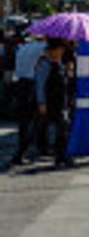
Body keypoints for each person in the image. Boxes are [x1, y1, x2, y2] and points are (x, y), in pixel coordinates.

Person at [8, 31, 45, 166]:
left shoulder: (22, 48)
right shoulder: (41, 48)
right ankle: (21, 153)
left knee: (24, 121)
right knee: (34, 121)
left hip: (19, 83)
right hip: (31, 84)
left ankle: (28, 149)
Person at [34, 39, 72, 168]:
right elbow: (40, 84)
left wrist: (68, 73)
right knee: (56, 129)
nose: (62, 52)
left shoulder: (59, 64)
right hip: (51, 102)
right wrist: (41, 102)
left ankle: (61, 156)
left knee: (62, 129)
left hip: (60, 101)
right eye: (60, 50)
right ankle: (59, 155)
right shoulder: (44, 64)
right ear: (53, 51)